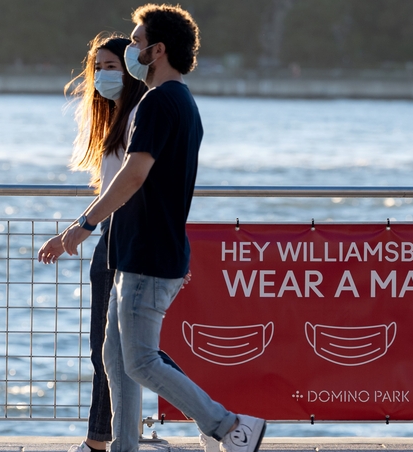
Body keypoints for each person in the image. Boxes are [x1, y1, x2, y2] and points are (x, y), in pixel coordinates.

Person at [60, 4, 266, 452]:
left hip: (149, 255)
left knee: (139, 362)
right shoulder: (179, 100)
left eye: (136, 41)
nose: (131, 48)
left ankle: (231, 427)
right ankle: (124, 447)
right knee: (117, 362)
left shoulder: (159, 101)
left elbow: (134, 174)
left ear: (158, 49)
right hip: (140, 252)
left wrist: (85, 223)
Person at [37, 33, 147, 452]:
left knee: (125, 354)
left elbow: (134, 186)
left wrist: (80, 228)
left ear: (133, 68)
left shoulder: (139, 115)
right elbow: (111, 190)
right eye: (97, 68)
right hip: (110, 239)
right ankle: (102, 441)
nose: (102, 75)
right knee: (116, 353)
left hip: (125, 243)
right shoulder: (118, 118)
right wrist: (79, 227)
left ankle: (219, 417)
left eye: (112, 66)